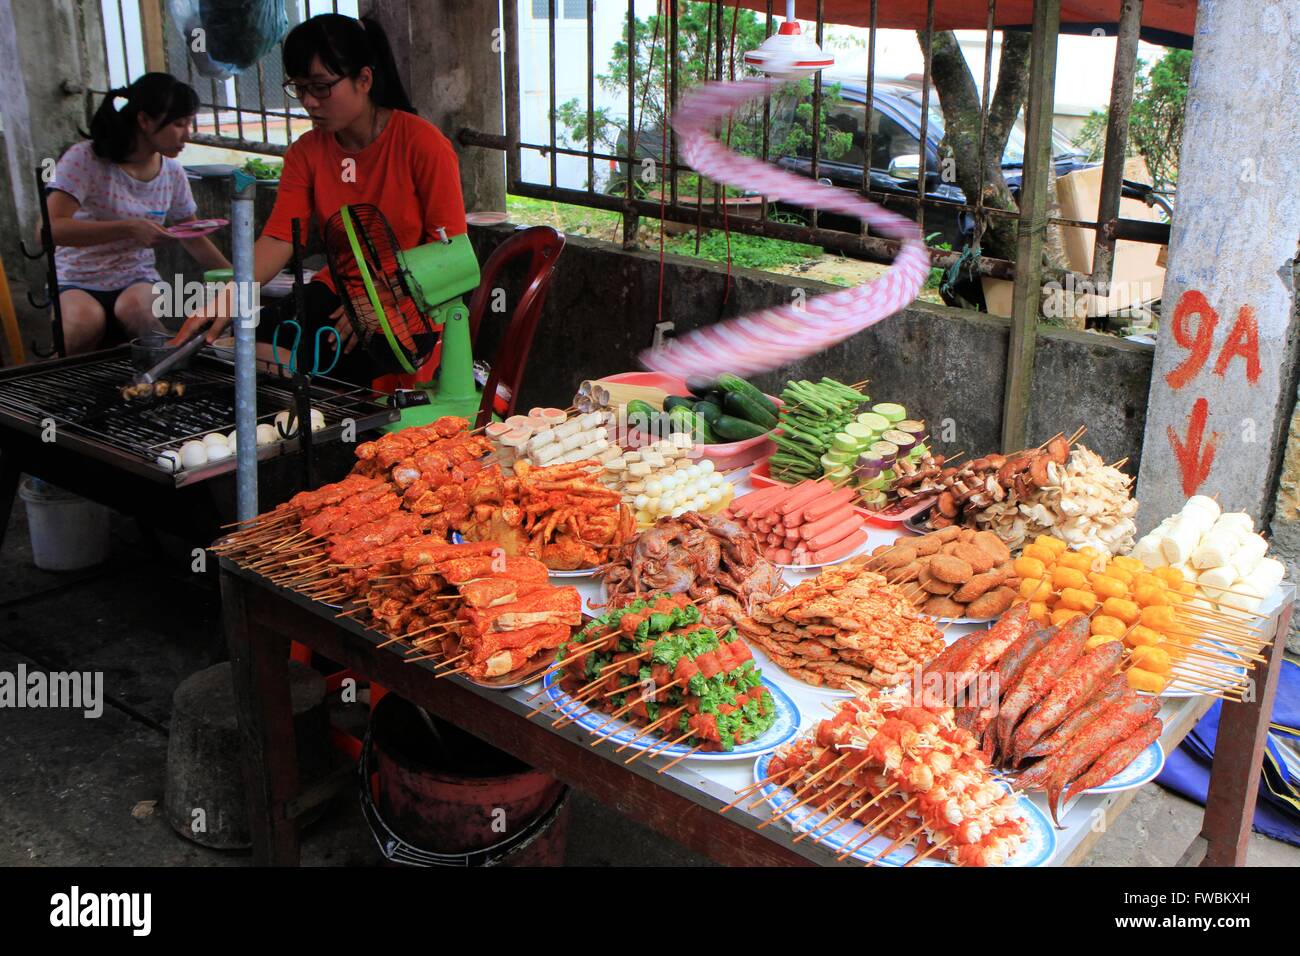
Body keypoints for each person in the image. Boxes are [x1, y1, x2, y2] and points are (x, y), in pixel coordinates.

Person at [174, 12, 468, 383]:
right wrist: (234, 294)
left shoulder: (423, 145)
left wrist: (382, 298)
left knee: (348, 369)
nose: (309, 102)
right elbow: (281, 237)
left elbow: (451, 249)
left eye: (321, 87)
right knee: (253, 340)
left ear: (364, 79)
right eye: (299, 88)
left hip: (411, 301)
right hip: (338, 291)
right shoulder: (306, 153)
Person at [48, 73, 230, 353]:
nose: (187, 134)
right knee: (84, 323)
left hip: (136, 277)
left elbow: (192, 235)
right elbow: (48, 230)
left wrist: (237, 278)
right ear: (144, 121)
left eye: (189, 122)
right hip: (75, 279)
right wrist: (128, 228)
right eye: (179, 124)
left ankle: (157, 381)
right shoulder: (85, 158)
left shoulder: (172, 172)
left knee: (142, 316)